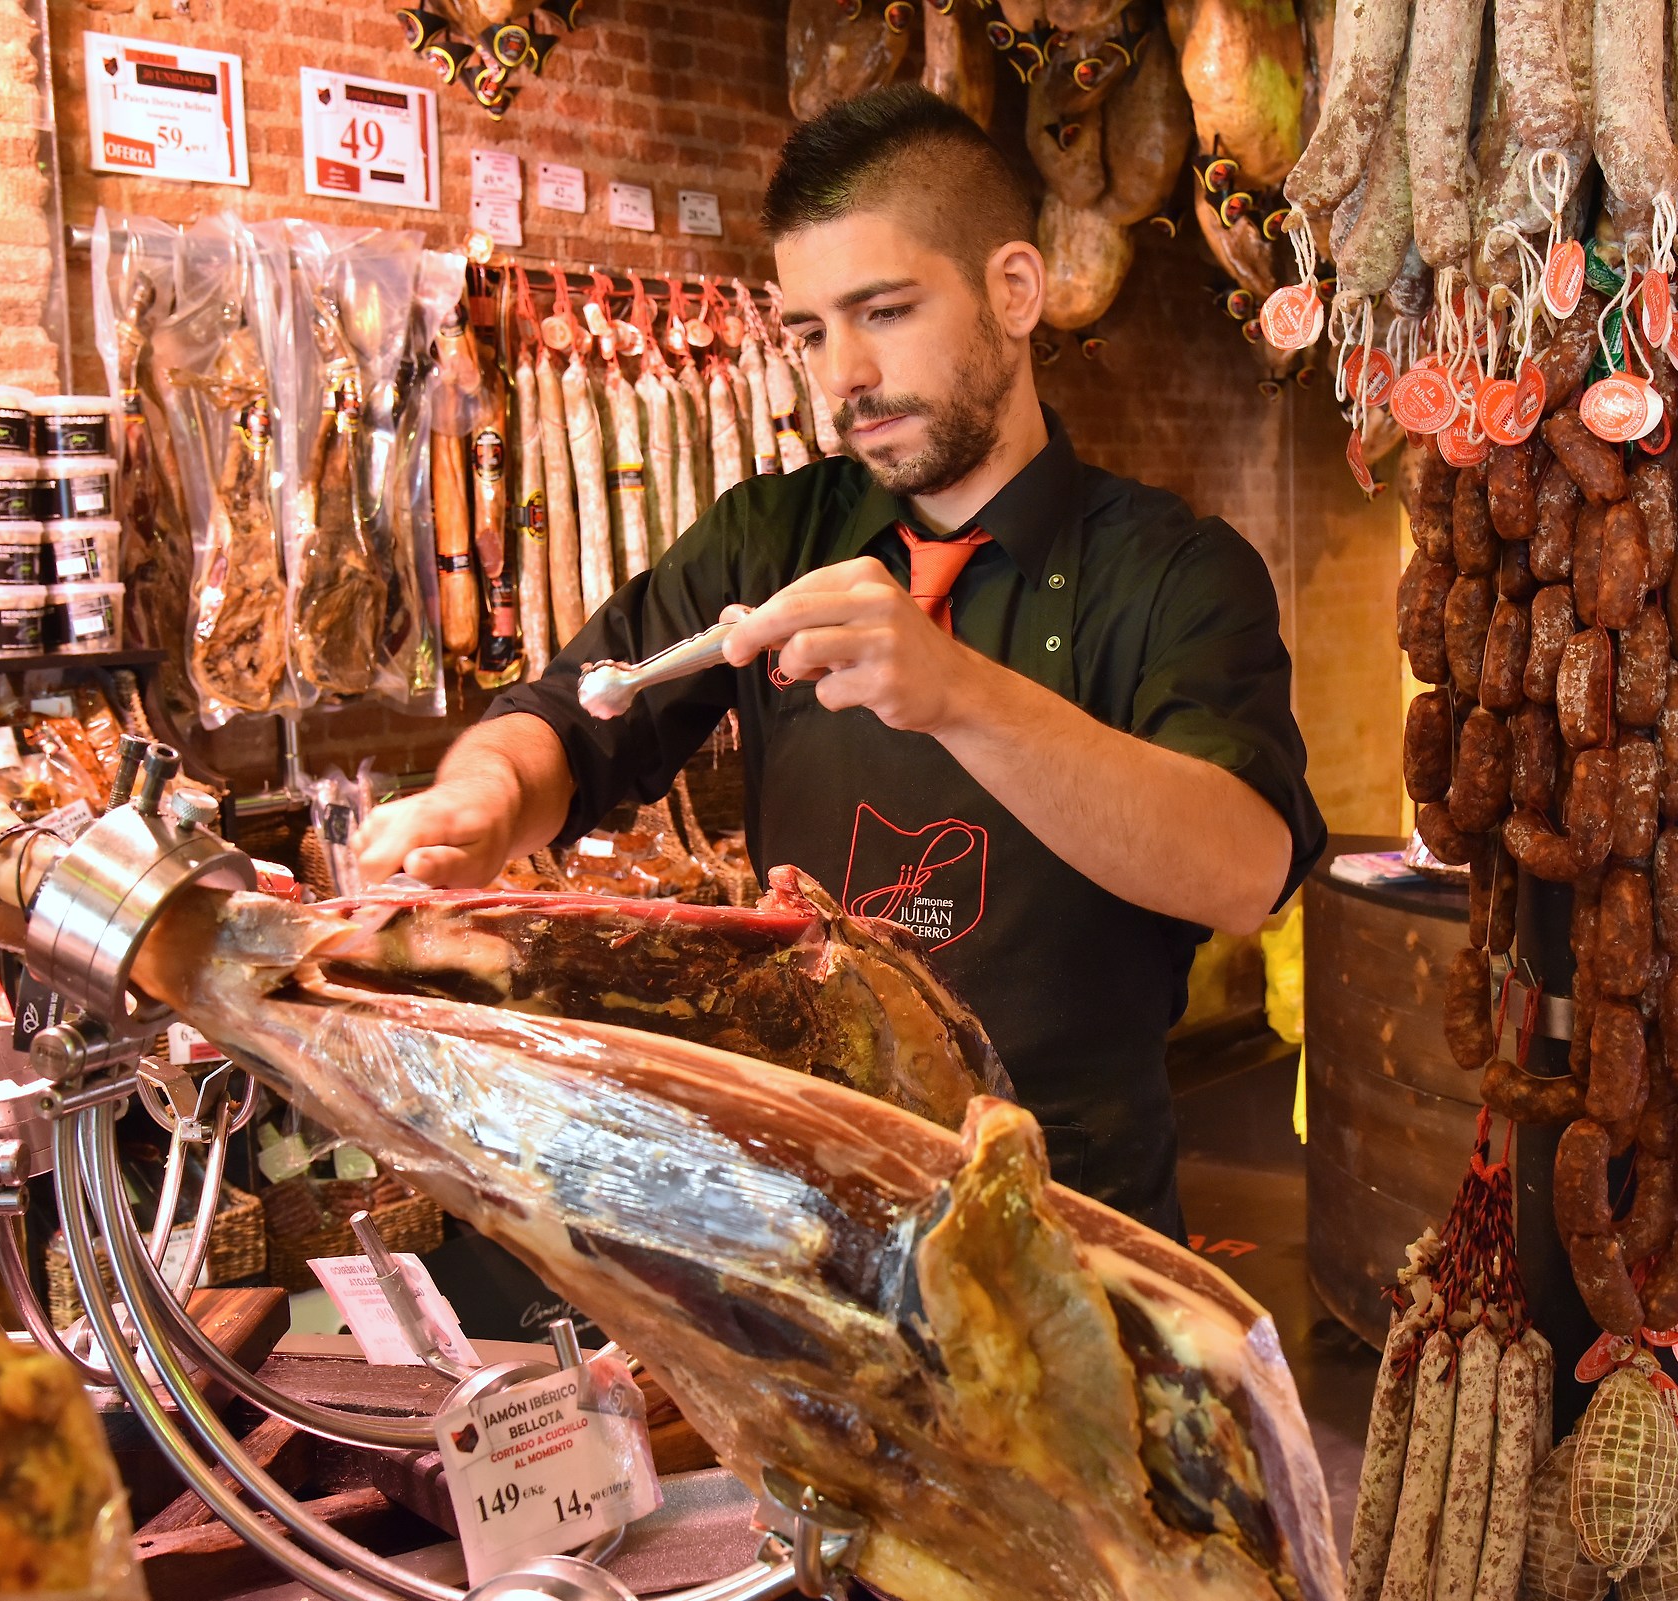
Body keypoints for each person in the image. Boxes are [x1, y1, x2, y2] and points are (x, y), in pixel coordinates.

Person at [357, 85, 1326, 1237]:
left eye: (885, 311)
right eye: (812, 331)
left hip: (1076, 1224)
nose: (842, 375)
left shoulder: (1172, 570)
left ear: (1015, 290)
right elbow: (572, 715)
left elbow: (1243, 866)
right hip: (816, 1209)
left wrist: (958, 692)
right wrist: (479, 799)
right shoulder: (770, 538)